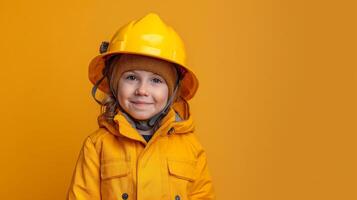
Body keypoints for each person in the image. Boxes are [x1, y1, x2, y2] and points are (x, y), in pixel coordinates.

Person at [67, 13, 215, 200]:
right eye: (131, 77)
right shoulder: (97, 146)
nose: (142, 90)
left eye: (156, 80)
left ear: (173, 91)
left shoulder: (191, 148)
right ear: (114, 83)